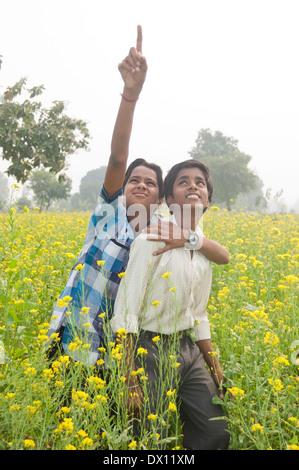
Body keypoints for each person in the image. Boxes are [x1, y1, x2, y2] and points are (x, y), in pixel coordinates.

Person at [46, 26, 229, 372]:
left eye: (149, 182)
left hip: (124, 350)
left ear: (161, 197)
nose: (140, 185)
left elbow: (221, 254)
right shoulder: (107, 217)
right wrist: (131, 93)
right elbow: (117, 157)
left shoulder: (163, 232)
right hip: (76, 338)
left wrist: (190, 237)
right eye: (134, 180)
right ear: (123, 188)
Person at [110, 159, 230, 450]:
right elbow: (126, 313)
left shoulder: (201, 248)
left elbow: (199, 314)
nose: (192, 186)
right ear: (168, 200)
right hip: (146, 350)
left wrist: (214, 365)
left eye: (199, 182)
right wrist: (129, 379)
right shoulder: (152, 238)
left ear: (208, 201)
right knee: (150, 437)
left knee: (216, 432)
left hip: (188, 350)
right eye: (183, 181)